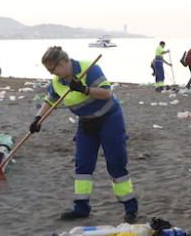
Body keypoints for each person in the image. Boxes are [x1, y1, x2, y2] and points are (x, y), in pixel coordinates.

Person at [31, 46, 138, 222]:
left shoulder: (90, 69)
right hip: (86, 122)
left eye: (53, 69)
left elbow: (106, 93)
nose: (53, 74)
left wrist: (84, 89)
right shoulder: (57, 81)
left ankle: (130, 207)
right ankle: (81, 208)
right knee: (83, 164)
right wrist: (37, 119)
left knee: (116, 162)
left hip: (109, 118)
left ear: (64, 62)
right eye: (49, 71)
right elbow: (50, 100)